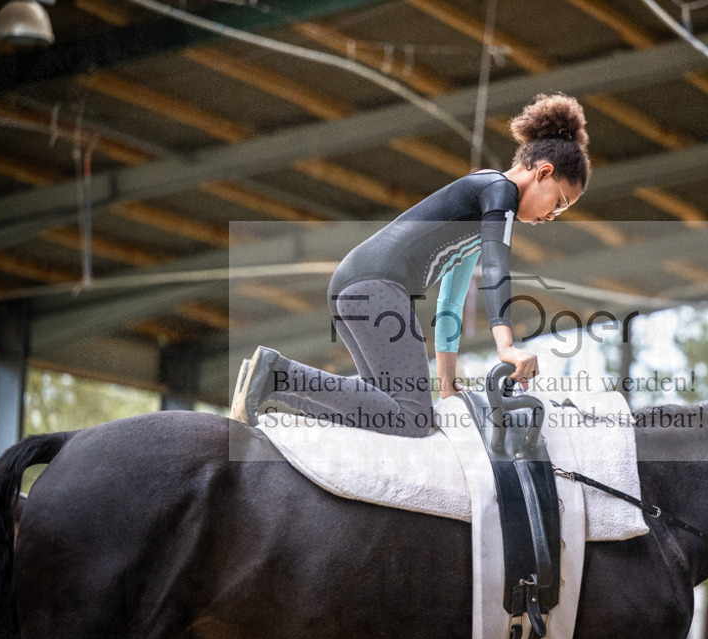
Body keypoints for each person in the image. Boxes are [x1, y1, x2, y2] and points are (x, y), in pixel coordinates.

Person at [231, 93, 591, 437]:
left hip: (354, 283)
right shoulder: (499, 191)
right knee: (415, 418)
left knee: (384, 410)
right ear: (543, 173)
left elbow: (450, 301)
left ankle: (270, 384)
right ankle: (276, 375)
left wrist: (447, 383)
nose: (553, 216)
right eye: (559, 202)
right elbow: (498, 268)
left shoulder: (479, 217)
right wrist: (506, 346)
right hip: (375, 285)